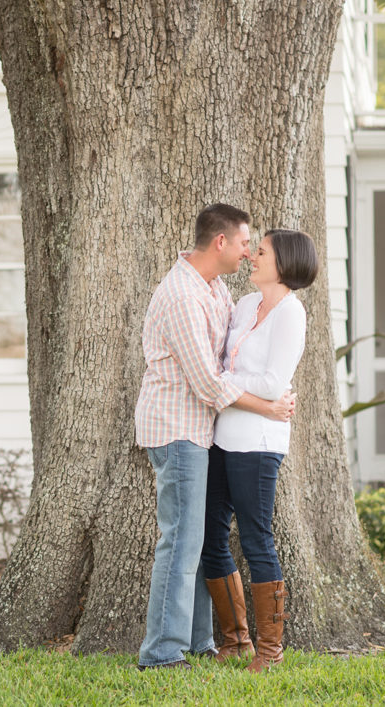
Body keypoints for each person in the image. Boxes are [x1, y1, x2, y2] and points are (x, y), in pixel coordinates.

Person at [135, 205, 295, 671]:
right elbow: (208, 382)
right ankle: (161, 652)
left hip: (202, 431)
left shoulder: (216, 288)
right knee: (181, 541)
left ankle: (200, 640)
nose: (248, 253)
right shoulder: (183, 295)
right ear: (221, 242)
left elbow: (231, 358)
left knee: (199, 539)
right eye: (245, 243)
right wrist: (268, 406)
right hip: (176, 428)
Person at [200, 228, 319, 672]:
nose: (252, 256)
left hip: (258, 443)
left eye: (262, 252)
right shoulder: (246, 304)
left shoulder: (291, 313)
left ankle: (270, 651)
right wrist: (225, 382)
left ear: (283, 264)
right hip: (220, 436)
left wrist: (223, 384)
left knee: (255, 539)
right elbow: (221, 362)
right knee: (211, 536)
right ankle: (236, 641)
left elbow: (272, 384)